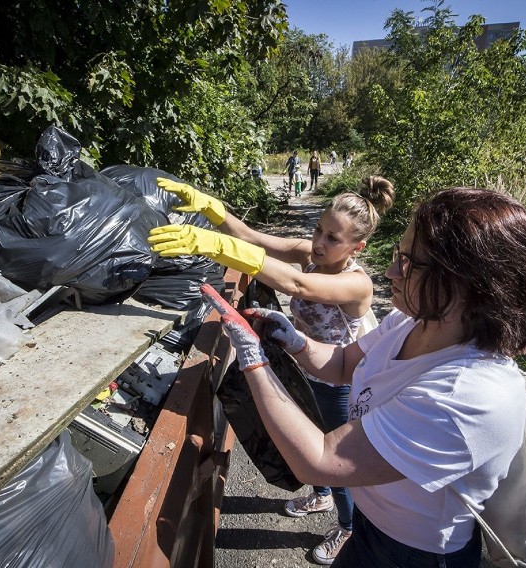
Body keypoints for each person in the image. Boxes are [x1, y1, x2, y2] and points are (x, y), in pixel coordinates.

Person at [202, 187, 526, 567]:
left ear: (463, 283)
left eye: (409, 264)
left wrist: (254, 361)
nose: (390, 272)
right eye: (398, 256)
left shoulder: (467, 393)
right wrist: (295, 340)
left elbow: (320, 460)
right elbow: (341, 365)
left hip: (410, 553)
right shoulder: (412, 321)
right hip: (376, 524)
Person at [147, 175, 396, 564]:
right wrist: (210, 207)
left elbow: (299, 285)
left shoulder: (357, 284)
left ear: (357, 247)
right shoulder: (310, 252)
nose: (319, 241)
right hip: (302, 369)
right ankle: (320, 496)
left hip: (336, 383)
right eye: (319, 228)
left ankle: (347, 528)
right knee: (305, 439)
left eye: (333, 238)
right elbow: (251, 236)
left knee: (334, 460)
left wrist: (218, 247)